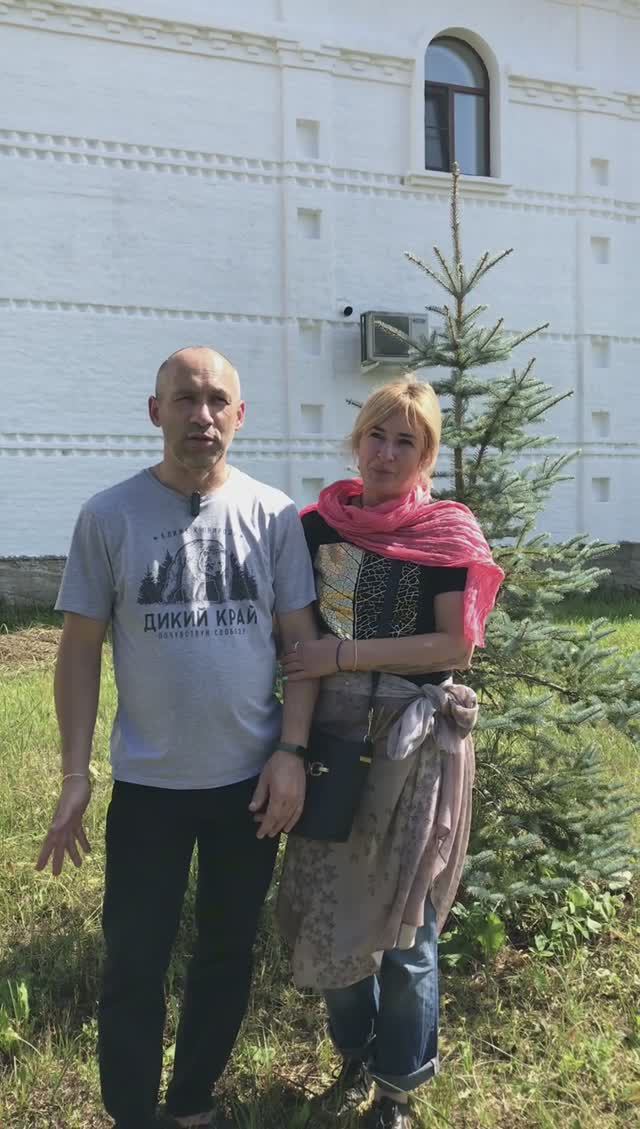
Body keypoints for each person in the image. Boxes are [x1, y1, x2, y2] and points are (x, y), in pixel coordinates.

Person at [35, 346, 319, 1129]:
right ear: (155, 411)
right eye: (185, 399)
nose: (202, 414)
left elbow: (301, 645)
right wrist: (74, 773)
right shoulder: (109, 516)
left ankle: (192, 1104)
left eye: (217, 399)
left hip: (249, 788)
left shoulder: (273, 515)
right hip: (149, 790)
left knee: (227, 955)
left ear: (240, 415)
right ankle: (132, 1114)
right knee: (134, 962)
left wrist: (292, 752)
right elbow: (79, 648)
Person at [277, 379, 504, 1129]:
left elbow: (454, 646)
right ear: (357, 440)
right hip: (332, 740)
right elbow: (291, 633)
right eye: (377, 434)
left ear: (426, 454)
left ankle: (396, 1090)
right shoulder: (315, 528)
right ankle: (355, 1049)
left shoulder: (444, 533)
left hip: (415, 746)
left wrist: (343, 654)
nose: (386, 453)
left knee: (409, 926)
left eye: (407, 441)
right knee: (331, 911)